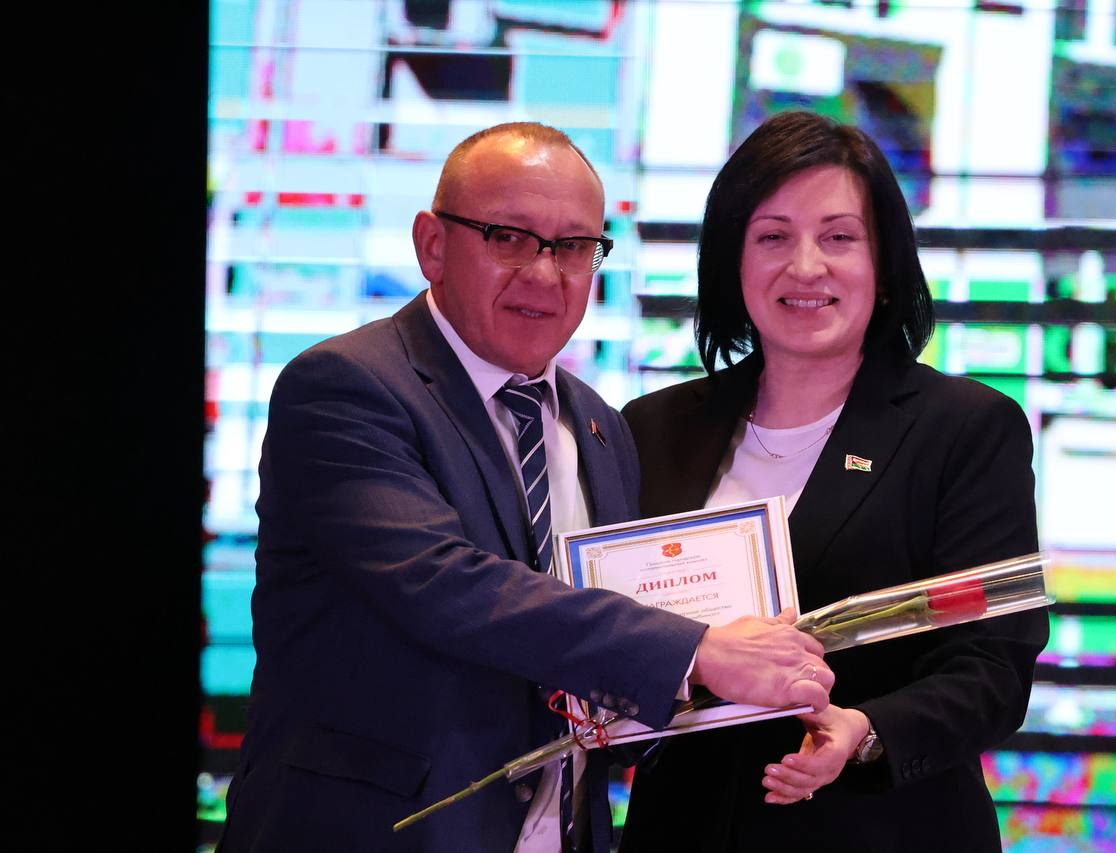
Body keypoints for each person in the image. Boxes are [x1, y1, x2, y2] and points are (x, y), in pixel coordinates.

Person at [218, 122, 835, 853]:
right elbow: (445, 583)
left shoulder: (601, 427)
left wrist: (759, 699)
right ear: (432, 245)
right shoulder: (348, 387)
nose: (545, 274)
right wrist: (698, 650)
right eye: (508, 238)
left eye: (573, 247)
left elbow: (602, 656)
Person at [619, 111, 1049, 852]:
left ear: (886, 265)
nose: (806, 266)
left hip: (881, 831)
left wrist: (866, 730)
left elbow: (993, 667)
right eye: (772, 237)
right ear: (732, 262)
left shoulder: (966, 428)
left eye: (839, 237)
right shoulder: (651, 427)